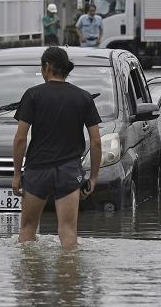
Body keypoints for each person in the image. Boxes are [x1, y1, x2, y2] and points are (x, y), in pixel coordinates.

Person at [11, 47, 102, 249]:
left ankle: (29, 279)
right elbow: (95, 141)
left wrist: (17, 174)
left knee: (27, 229)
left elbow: (20, 138)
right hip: (69, 171)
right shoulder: (83, 97)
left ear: (47, 66)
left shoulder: (33, 95)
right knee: (68, 231)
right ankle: (69, 277)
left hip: (37, 170)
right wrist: (94, 178)